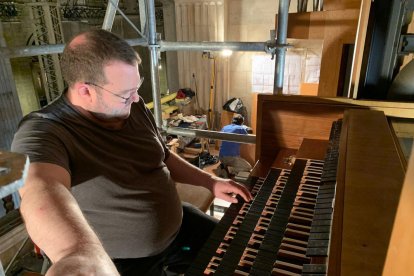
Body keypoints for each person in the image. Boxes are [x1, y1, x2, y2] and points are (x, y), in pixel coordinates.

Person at [11, 29, 252, 276]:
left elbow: (163, 156)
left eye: (137, 88)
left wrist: (209, 181)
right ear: (85, 90)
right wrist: (78, 253)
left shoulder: (131, 107)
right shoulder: (44, 130)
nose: (137, 99)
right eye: (126, 94)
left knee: (245, 255)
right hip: (123, 263)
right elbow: (41, 189)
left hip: (178, 229)